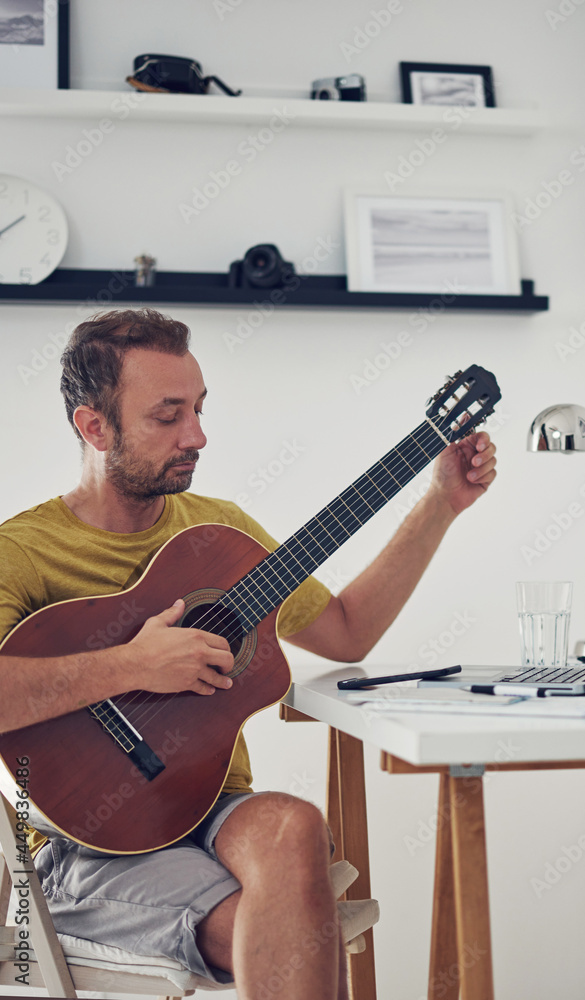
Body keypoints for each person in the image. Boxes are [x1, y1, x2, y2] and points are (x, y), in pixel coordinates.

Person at [0, 309, 497, 1000]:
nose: (196, 436)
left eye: (198, 409)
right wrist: (132, 666)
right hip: (82, 839)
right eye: (167, 416)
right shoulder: (21, 551)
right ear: (94, 427)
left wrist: (439, 504)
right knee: (294, 933)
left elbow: (346, 631)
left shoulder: (220, 534)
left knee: (296, 826)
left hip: (210, 806)